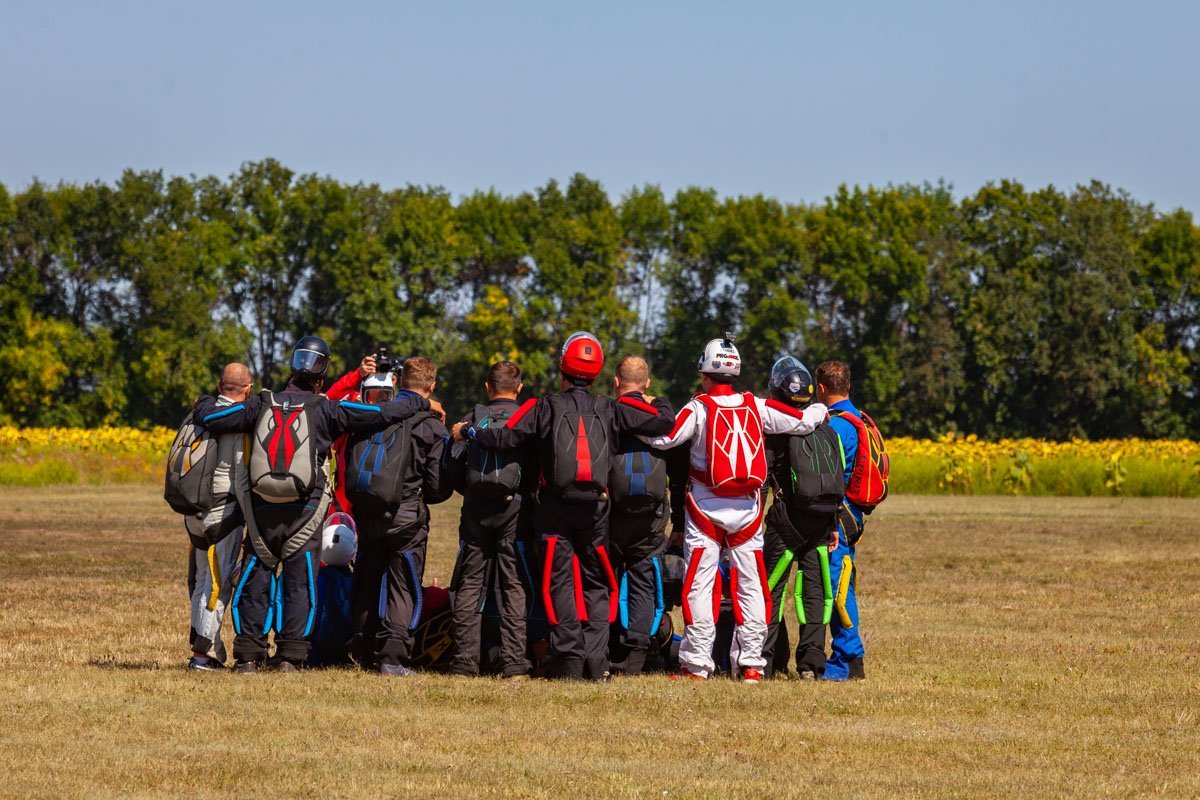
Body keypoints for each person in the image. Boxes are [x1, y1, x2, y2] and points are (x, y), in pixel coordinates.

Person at [192, 335, 437, 672]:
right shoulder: (327, 409)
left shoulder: (261, 403)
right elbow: (381, 412)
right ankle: (292, 657)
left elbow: (215, 417)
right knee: (300, 582)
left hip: (261, 513)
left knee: (256, 579)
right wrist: (422, 404)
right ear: (322, 376)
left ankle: (248, 655)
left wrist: (203, 402)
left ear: (292, 367)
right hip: (304, 514)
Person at [453, 332, 675, 680]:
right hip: (596, 513)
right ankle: (596, 659)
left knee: (558, 584)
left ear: (562, 368)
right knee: (598, 584)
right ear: (600, 372)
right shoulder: (611, 408)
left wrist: (468, 432)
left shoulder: (544, 406)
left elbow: (505, 437)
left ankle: (568, 660)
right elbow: (664, 421)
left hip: (553, 512)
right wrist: (657, 398)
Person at [638, 333, 827, 683]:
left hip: (704, 510)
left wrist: (641, 409)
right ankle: (752, 664)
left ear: (704, 371)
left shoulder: (698, 408)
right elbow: (801, 421)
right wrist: (820, 407)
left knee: (700, 586)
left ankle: (696, 666)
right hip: (748, 513)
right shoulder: (755, 405)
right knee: (752, 587)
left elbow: (664, 437)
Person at [346, 357, 454, 676]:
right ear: (431, 387)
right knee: (403, 583)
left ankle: (361, 647)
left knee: (367, 576)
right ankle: (393, 655)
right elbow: (435, 487)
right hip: (407, 518)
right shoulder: (431, 425)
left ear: (400, 381)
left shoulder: (379, 412)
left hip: (369, 513)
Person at [446, 360, 537, 679]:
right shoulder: (526, 417)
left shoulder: (473, 418)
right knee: (512, 585)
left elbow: (454, 467)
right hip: (514, 510)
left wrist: (472, 490)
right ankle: (513, 663)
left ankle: (464, 662)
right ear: (519, 389)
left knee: (469, 583)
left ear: (487, 387)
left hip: (475, 510)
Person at [760, 357, 843, 680]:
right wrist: (834, 525)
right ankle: (811, 664)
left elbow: (764, 478)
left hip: (786, 524)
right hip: (822, 524)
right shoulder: (826, 427)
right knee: (814, 593)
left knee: (771, 591)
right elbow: (836, 478)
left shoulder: (778, 429)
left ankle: (766, 661)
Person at [183, 363, 254, 671]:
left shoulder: (202, 409)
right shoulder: (237, 420)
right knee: (216, 586)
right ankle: (202, 656)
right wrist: (253, 521)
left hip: (193, 509)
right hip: (222, 513)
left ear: (220, 385)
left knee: (201, 581)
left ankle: (205, 645)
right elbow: (239, 478)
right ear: (248, 389)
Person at [606, 356, 671, 677]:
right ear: (645, 384)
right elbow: (669, 420)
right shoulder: (659, 415)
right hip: (650, 517)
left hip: (612, 515)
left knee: (605, 580)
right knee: (645, 583)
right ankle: (636, 657)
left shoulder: (608, 412)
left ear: (616, 381)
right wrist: (657, 401)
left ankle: (605, 648)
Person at [815, 359, 868, 681]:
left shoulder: (835, 425)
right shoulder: (860, 418)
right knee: (842, 580)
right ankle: (846, 656)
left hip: (839, 515)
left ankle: (849, 659)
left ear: (821, 388)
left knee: (838, 586)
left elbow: (829, 476)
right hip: (855, 513)